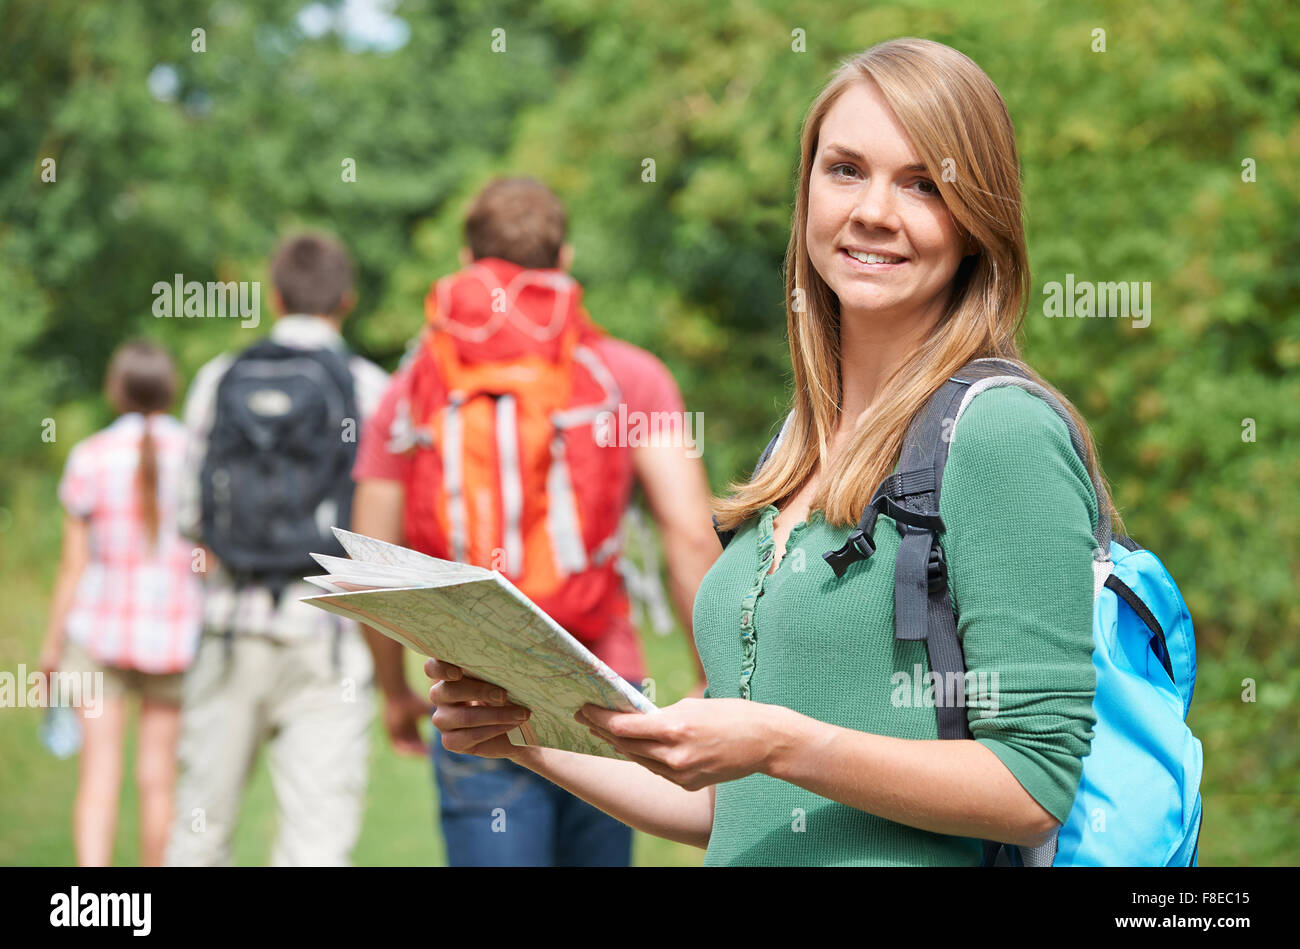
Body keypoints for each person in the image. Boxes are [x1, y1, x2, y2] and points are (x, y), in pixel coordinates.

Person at [425, 38, 1128, 865]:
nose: (873, 210)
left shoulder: (1001, 433)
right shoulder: (794, 444)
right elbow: (736, 805)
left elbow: (1035, 787)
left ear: (977, 222)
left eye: (923, 184)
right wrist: (523, 740)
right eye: (845, 170)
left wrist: (780, 743)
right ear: (806, 193)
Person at [351, 176, 719, 866]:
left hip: (475, 689)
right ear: (566, 258)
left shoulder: (415, 386)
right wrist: (710, 675)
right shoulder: (626, 374)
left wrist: (394, 689)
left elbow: (374, 550)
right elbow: (691, 532)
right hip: (605, 683)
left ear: (467, 257)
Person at [165, 233, 390, 866]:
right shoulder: (369, 386)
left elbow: (190, 515)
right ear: (346, 301)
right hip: (330, 638)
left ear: (274, 294)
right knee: (316, 843)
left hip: (228, 631)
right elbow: (382, 533)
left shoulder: (219, 378)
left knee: (200, 831)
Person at [39, 339, 203, 866]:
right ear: (170, 389)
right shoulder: (196, 456)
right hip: (177, 637)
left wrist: (49, 647)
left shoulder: (89, 456)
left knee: (99, 778)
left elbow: (73, 567)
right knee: (157, 782)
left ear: (116, 390)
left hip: (98, 637)